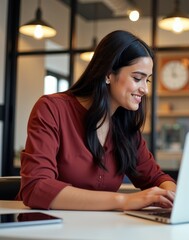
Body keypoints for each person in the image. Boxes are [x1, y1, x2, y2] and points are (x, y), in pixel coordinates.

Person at [17, 30, 176, 211]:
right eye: (137, 78)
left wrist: (172, 196)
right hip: (50, 230)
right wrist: (124, 201)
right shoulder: (52, 108)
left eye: (146, 81)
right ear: (108, 74)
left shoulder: (125, 126)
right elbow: (36, 188)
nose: (145, 90)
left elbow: (157, 178)